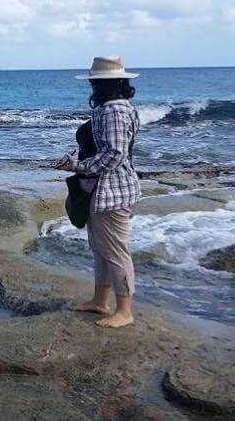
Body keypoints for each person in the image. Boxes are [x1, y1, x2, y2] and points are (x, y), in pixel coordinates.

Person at [56, 55, 141, 328]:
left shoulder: (113, 111)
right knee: (101, 248)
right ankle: (100, 301)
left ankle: (124, 311)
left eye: (94, 81)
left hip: (112, 192)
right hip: (105, 190)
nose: (91, 85)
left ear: (102, 83)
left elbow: (114, 155)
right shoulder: (121, 108)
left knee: (115, 250)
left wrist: (78, 167)